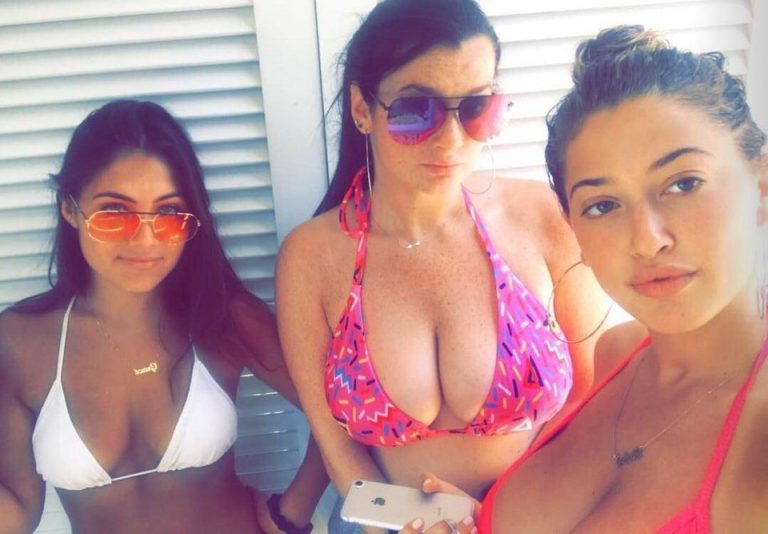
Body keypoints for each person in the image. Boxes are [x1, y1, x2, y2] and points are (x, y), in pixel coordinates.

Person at [275, 0, 612, 531]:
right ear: (362, 109)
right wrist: (410, 523)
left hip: (537, 516)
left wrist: (500, 517)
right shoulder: (311, 258)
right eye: (416, 108)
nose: (452, 140)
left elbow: (592, 391)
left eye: (476, 106)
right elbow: (334, 444)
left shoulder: (543, 216)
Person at [463, 26, 768, 532]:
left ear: (760, 184)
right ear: (573, 228)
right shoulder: (617, 352)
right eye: (602, 205)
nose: (647, 240)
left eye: (683, 183)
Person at [0, 100, 328, 533]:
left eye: (169, 212)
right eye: (116, 212)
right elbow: (19, 507)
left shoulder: (222, 316)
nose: (146, 240)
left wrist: (291, 514)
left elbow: (338, 416)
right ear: (70, 208)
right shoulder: (20, 341)